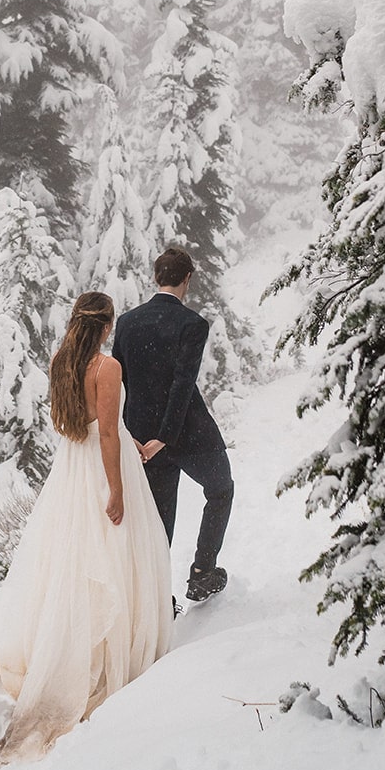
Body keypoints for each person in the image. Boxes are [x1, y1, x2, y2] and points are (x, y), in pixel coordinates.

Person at [0, 291, 172, 763]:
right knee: (113, 552)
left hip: (71, 466)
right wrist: (117, 489)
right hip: (103, 467)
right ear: (106, 326)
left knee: (73, 558)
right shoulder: (106, 369)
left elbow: (77, 425)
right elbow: (106, 431)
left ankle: (71, 646)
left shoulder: (61, 361)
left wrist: (132, 446)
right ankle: (106, 658)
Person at [112, 246, 233, 604]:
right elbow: (182, 384)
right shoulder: (192, 324)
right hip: (188, 433)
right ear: (187, 279)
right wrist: (165, 436)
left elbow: (120, 383)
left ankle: (157, 601)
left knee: (157, 522)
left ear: (155, 278)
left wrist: (131, 434)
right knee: (221, 489)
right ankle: (202, 572)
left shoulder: (127, 322)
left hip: (140, 438)